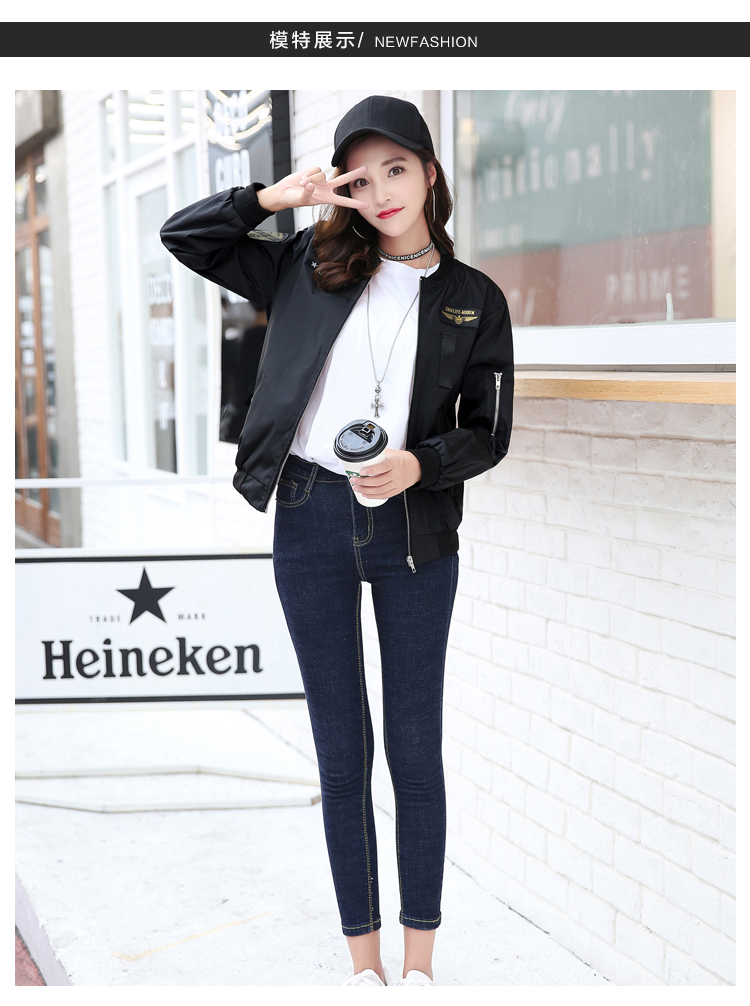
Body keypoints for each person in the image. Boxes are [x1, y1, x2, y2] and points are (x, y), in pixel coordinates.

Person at [161, 94, 514, 987]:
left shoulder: (474, 299)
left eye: (399, 169)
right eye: (364, 176)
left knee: (414, 749)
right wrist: (274, 199)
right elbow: (184, 237)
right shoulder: (307, 265)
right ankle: (365, 969)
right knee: (340, 749)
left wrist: (421, 464)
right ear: (344, 186)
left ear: (429, 173)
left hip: (413, 527)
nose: (384, 191)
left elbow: (490, 432)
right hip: (310, 514)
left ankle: (420, 967)